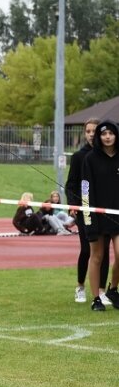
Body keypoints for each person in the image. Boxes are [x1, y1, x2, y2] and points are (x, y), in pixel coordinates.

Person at [64, 118, 111, 304]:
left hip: (106, 211)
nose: (91, 134)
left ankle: (101, 290)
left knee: (104, 251)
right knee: (87, 250)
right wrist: (73, 204)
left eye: (94, 131)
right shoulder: (79, 157)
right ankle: (80, 286)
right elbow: (72, 184)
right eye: (88, 131)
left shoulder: (108, 155)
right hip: (85, 211)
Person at [81, 120, 119, 311]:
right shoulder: (90, 158)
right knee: (97, 256)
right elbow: (85, 190)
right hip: (96, 216)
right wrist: (89, 218)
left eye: (111, 133)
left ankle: (112, 289)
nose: (107, 137)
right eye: (104, 134)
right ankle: (96, 298)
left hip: (117, 217)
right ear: (99, 136)